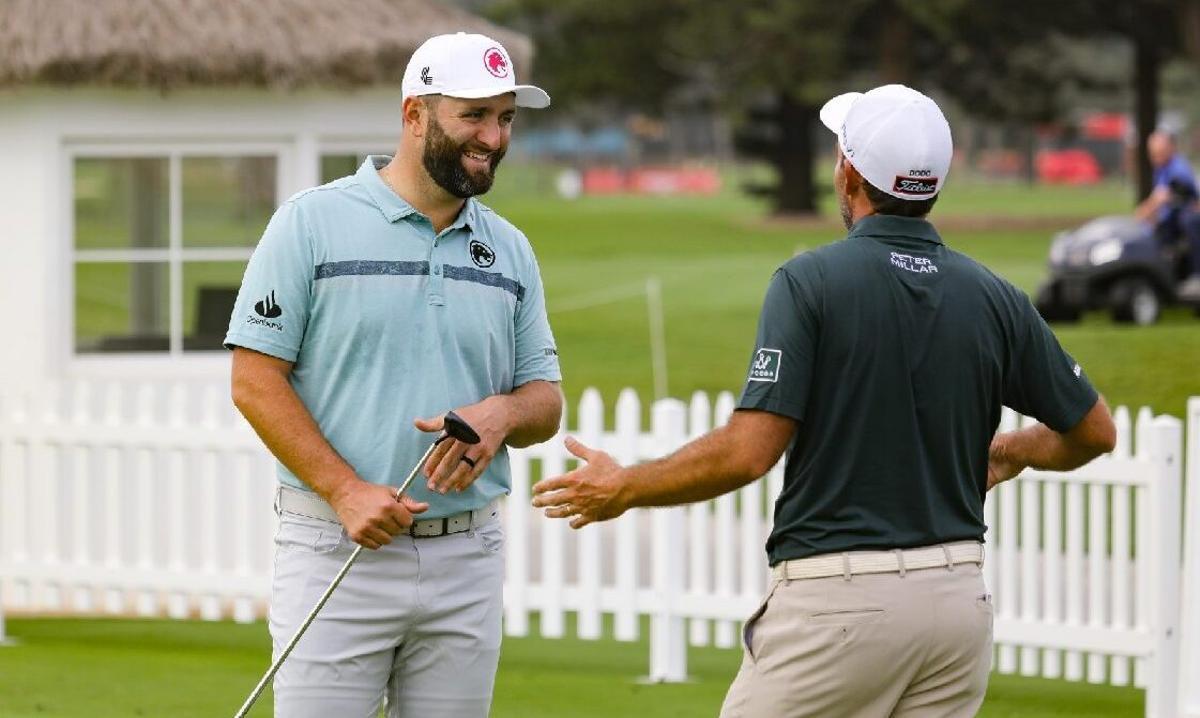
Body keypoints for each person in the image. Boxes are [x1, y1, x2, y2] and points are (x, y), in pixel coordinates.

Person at [531, 85, 1117, 717]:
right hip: (957, 603)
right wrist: (1014, 450)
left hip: (837, 605)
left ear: (847, 171)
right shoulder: (995, 296)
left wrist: (625, 487)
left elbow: (749, 451)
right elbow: (1095, 432)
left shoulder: (808, 282)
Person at [225, 32, 563, 718]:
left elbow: (545, 401)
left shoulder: (510, 249)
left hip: (466, 555)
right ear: (415, 115)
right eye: (473, 115)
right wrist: (345, 491)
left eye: (505, 118)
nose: (493, 137)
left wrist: (501, 414)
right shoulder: (310, 224)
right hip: (333, 543)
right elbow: (254, 379)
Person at [1134, 130, 1200, 300]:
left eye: (1160, 153)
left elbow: (1161, 197)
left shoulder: (1178, 169)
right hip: (1171, 223)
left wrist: (1141, 214)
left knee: (1190, 221)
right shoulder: (1162, 169)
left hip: (1183, 224)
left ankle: (1197, 277)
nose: (1156, 157)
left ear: (1171, 148)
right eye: (1153, 154)